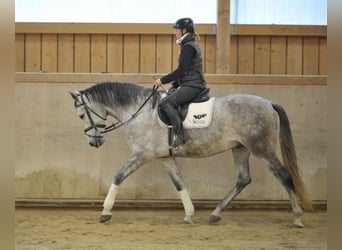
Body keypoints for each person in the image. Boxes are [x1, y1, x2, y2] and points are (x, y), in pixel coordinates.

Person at [154, 17, 207, 148]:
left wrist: (162, 80)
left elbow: (181, 71)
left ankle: (180, 135)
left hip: (193, 86)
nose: (175, 33)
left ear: (184, 30)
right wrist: (174, 85)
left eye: (177, 30)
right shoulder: (188, 45)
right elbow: (188, 70)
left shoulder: (188, 47)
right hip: (190, 83)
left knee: (165, 103)